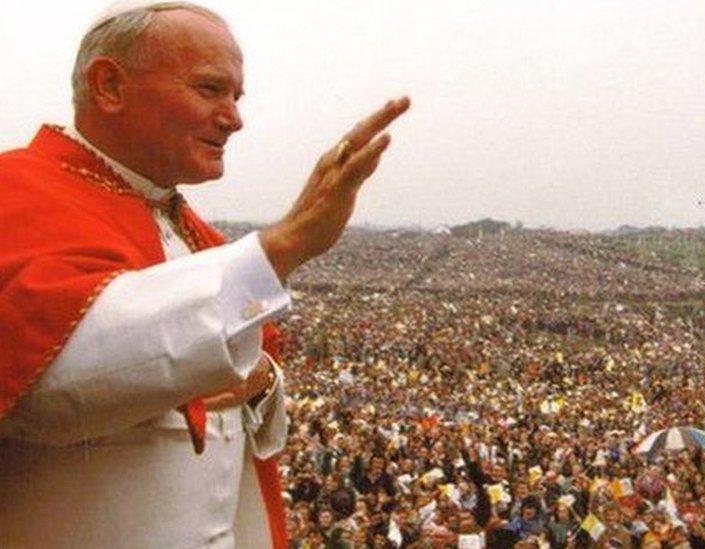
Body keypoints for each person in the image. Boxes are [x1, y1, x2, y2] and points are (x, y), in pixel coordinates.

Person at [0, 2, 409, 547]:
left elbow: (239, 390)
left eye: (236, 97)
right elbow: (49, 383)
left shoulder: (195, 234)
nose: (234, 117)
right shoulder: (16, 194)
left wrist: (262, 380)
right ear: (110, 86)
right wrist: (283, 245)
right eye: (210, 89)